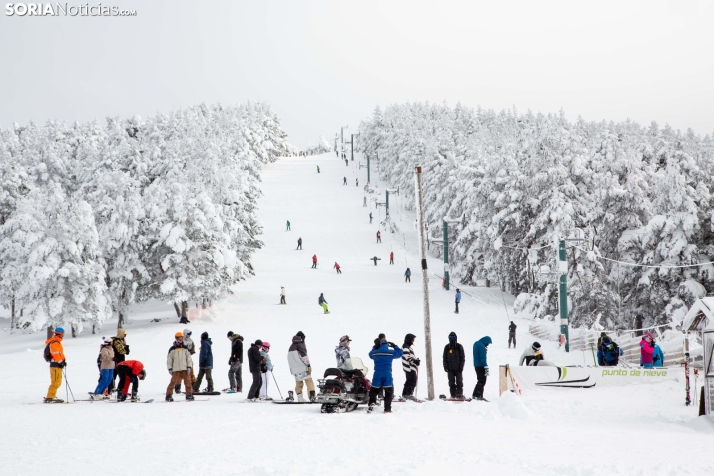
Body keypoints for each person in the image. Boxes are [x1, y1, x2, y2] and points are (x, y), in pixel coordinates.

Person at [368, 337, 403, 413]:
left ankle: (372, 402)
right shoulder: (390, 352)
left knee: (374, 389)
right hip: (387, 374)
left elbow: (370, 354)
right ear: (387, 344)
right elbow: (400, 353)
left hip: (377, 373)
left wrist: (375, 347)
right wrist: (395, 346)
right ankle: (387, 409)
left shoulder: (375, 352)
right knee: (388, 391)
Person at [288, 331, 316, 402]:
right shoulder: (301, 344)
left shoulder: (291, 346)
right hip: (302, 367)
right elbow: (304, 357)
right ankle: (312, 396)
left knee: (298, 382)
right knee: (309, 381)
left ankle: (300, 397)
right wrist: (308, 366)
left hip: (294, 368)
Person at [166, 332, 194, 402]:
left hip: (184, 368)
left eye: (182, 338)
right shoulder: (172, 349)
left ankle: (189, 394)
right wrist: (170, 368)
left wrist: (189, 367)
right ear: (176, 339)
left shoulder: (185, 348)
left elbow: (189, 358)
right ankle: (168, 395)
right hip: (175, 369)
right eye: (179, 338)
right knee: (173, 382)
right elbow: (169, 360)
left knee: (188, 382)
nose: (181, 340)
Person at [44, 327, 67, 403]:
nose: (63, 335)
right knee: (56, 381)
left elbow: (60, 354)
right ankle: (50, 397)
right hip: (55, 364)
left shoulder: (57, 342)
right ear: (60, 334)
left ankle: (52, 395)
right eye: (63, 334)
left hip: (57, 364)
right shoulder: (55, 343)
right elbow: (55, 354)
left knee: (58, 381)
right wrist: (61, 361)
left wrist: (63, 361)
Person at [442, 332, 465, 398]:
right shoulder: (447, 347)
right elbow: (444, 357)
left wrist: (461, 366)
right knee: (451, 383)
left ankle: (459, 394)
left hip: (458, 368)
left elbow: (462, 357)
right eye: (451, 337)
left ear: (456, 338)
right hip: (450, 369)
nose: (452, 339)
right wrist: (445, 366)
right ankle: (453, 394)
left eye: (454, 337)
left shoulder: (459, 346)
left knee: (459, 382)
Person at [174, 328, 196, 394]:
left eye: (190, 334)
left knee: (191, 373)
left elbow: (193, 349)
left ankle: (194, 387)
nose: (189, 335)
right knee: (179, 374)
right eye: (188, 334)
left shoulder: (191, 341)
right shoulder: (181, 341)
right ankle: (177, 388)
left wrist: (190, 352)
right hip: (181, 360)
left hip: (188, 359)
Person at [108, 328, 129, 394]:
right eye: (124, 335)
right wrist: (125, 345)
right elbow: (122, 351)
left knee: (114, 374)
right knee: (117, 375)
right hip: (118, 360)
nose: (124, 337)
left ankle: (112, 388)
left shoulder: (115, 340)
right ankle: (113, 388)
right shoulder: (117, 341)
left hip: (116, 360)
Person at [472, 336, 492, 401]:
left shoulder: (476, 343)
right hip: (481, 365)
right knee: (482, 381)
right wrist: (485, 366)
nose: (488, 345)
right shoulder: (481, 346)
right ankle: (478, 395)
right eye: (488, 343)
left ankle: (475, 395)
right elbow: (482, 357)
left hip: (476, 365)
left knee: (480, 380)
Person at [401, 333, 420, 400]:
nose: (413, 341)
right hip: (409, 367)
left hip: (410, 367)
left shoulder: (407, 347)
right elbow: (407, 356)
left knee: (409, 380)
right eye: (412, 339)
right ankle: (408, 394)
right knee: (412, 380)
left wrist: (416, 360)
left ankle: (405, 394)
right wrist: (414, 361)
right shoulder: (406, 347)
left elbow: (409, 356)